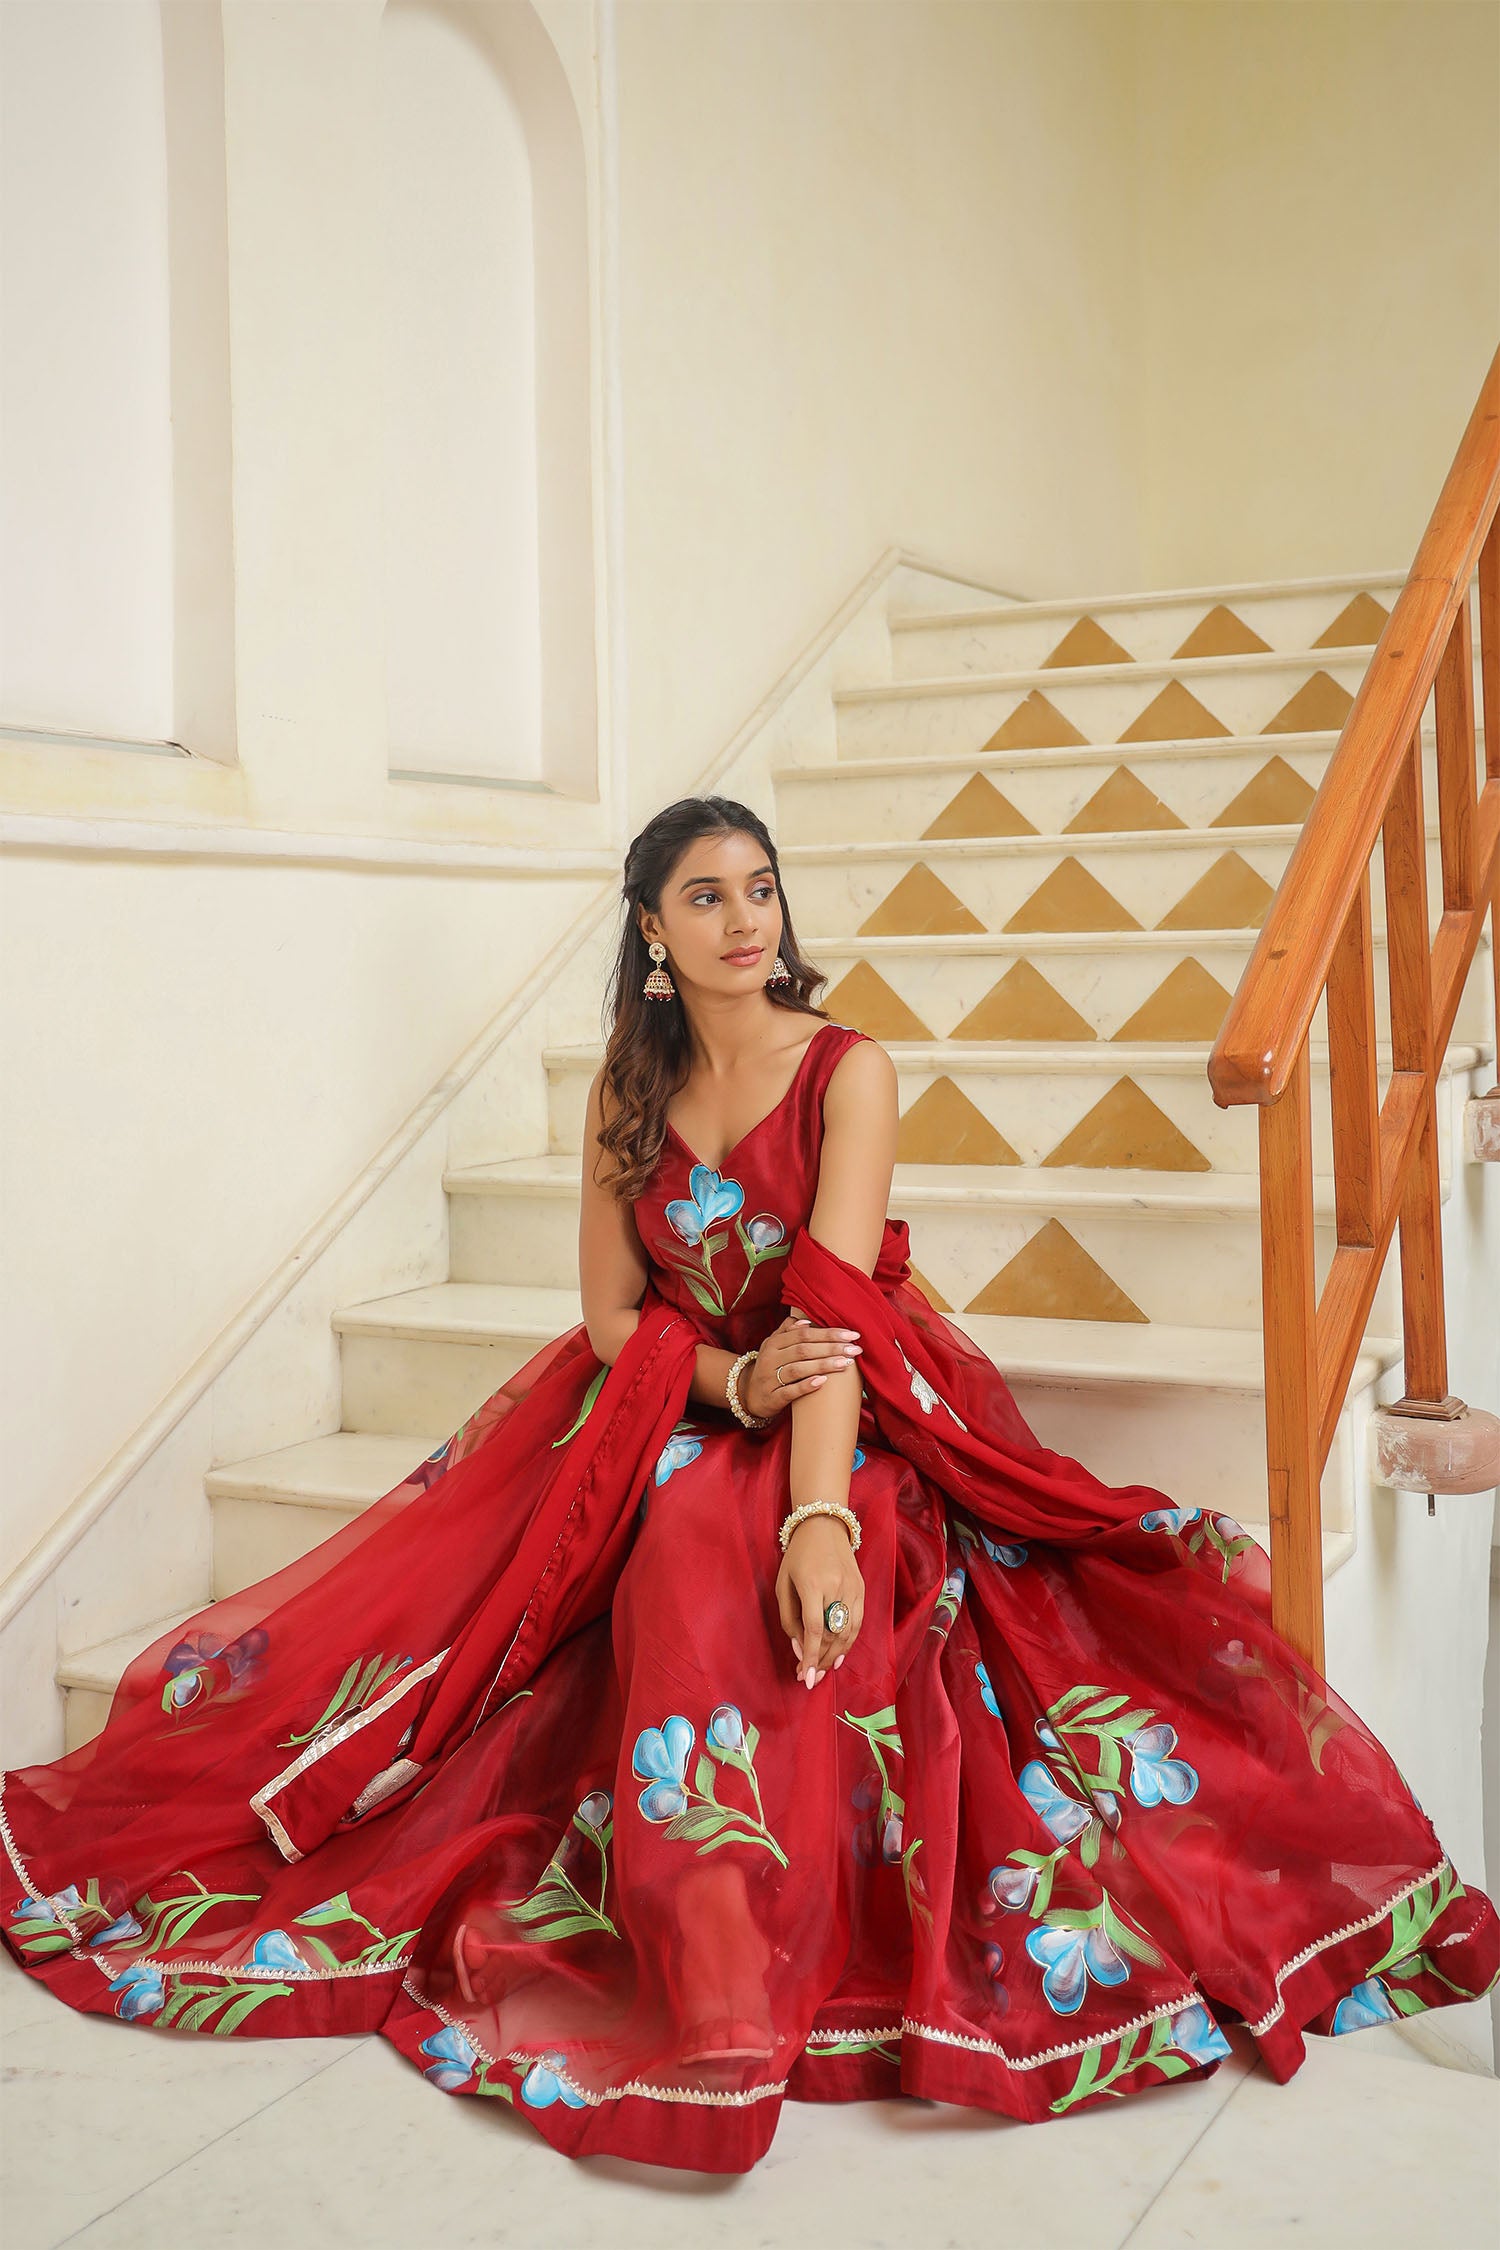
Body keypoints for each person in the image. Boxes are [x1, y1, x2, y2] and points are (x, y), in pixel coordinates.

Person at [2, 793, 1496, 2178]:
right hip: (695, 1387)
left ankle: (738, 1953)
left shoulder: (850, 1070)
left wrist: (819, 1519)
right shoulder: (627, 1088)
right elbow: (610, 1321)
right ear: (651, 927)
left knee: (745, 1539)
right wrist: (725, 1386)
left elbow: (833, 1317)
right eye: (706, 896)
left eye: (761, 889)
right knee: (625, 1534)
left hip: (853, 1396)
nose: (744, 920)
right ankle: (699, 1951)